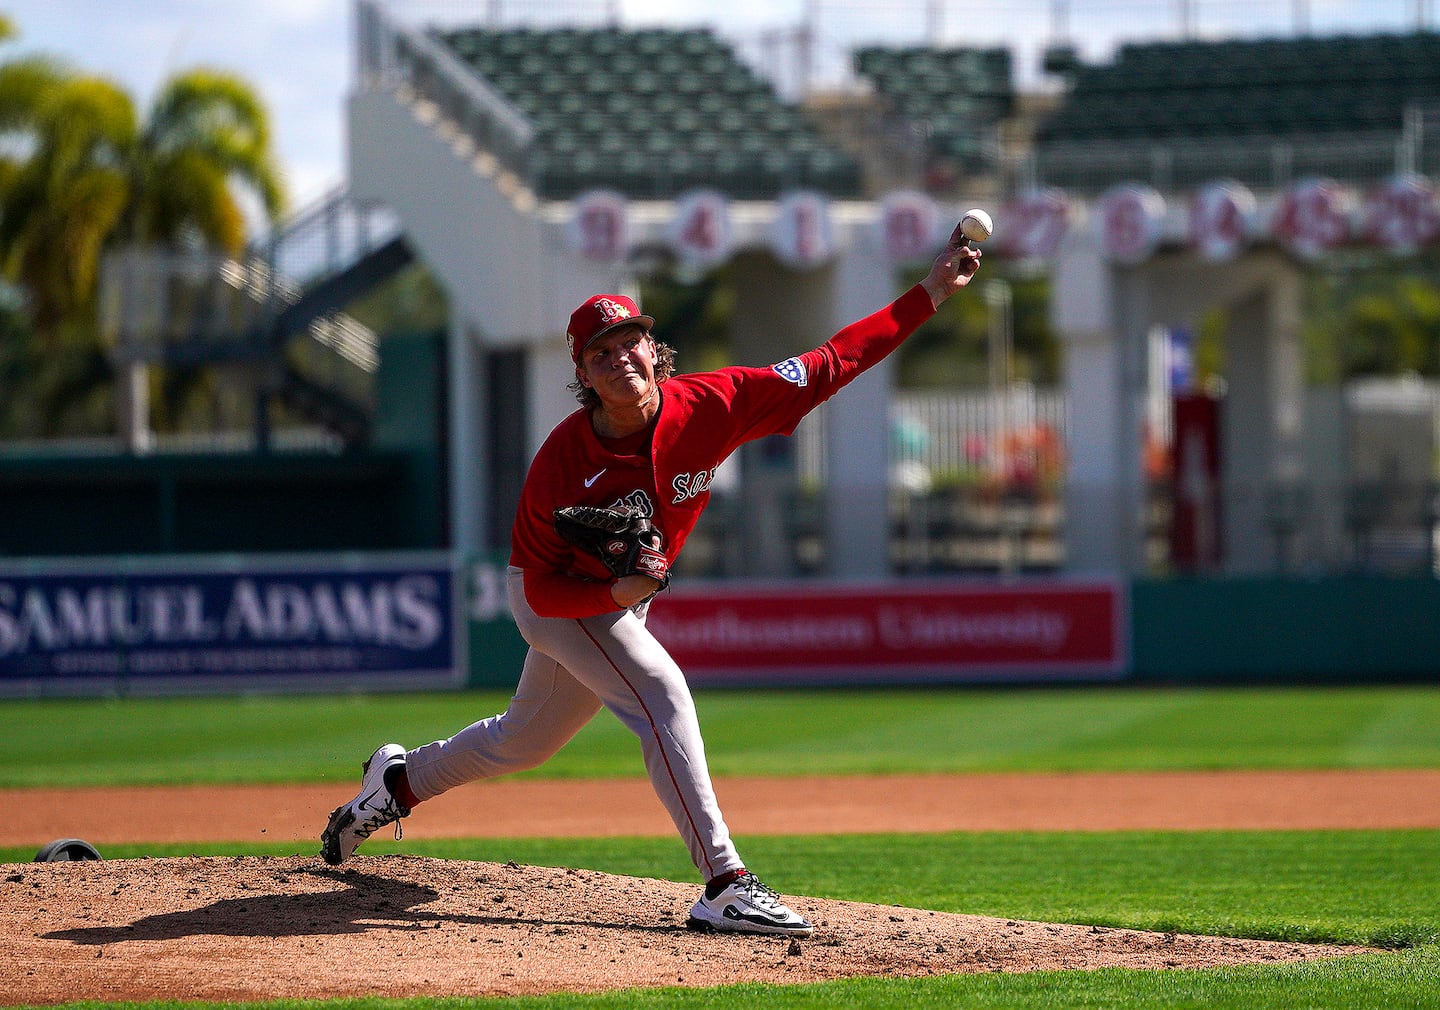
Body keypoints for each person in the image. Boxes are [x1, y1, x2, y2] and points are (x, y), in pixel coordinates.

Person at [320, 221, 983, 937]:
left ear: (653, 350)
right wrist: (612, 596)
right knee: (662, 693)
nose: (619, 358)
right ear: (583, 375)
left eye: (629, 341)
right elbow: (537, 589)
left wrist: (930, 292)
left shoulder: (715, 404)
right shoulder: (561, 466)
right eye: (600, 353)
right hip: (555, 597)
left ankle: (395, 783)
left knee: (524, 740)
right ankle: (725, 882)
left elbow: (832, 361)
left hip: (611, 603)